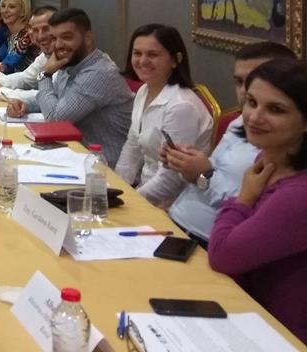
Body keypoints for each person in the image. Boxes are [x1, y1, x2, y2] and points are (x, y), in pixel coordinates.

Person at [207, 58, 307, 345]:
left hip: (281, 335)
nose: (253, 117)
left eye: (275, 109)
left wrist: (244, 197)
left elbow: (223, 255)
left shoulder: (297, 194)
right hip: (247, 311)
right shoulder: (267, 160)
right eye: (252, 102)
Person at [166, 41, 297, 243]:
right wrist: (184, 162)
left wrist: (204, 175)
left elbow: (255, 207)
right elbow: (212, 172)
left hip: (209, 239)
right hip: (177, 218)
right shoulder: (239, 121)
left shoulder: (283, 143)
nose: (245, 90)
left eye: (254, 80)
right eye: (239, 81)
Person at [7, 8, 133, 166]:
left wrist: (44, 75)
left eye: (66, 37)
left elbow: (56, 120)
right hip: (77, 155)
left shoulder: (99, 73)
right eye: (54, 38)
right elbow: (56, 99)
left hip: (104, 168)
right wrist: (24, 105)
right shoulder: (69, 63)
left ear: (88, 38)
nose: (58, 45)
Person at [114, 24, 212, 209]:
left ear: (175, 60)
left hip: (172, 206)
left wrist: (129, 203)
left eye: (152, 55)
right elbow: (132, 146)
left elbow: (171, 180)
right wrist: (114, 190)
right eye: (137, 53)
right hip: (143, 194)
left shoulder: (181, 106)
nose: (142, 61)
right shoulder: (144, 90)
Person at [0, 6, 57, 103]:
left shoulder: (63, 55)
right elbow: (26, 78)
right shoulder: (46, 54)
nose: (40, 36)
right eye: (35, 30)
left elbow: (44, 97)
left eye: (46, 29)